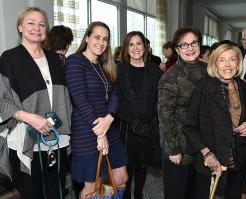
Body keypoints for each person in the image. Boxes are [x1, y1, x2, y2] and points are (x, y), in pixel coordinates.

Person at [0, 7, 72, 199]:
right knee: (31, 192)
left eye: (42, 24)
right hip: (25, 137)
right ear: (20, 27)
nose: (37, 28)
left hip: (56, 138)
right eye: (30, 23)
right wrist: (31, 118)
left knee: (56, 191)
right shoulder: (9, 58)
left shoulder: (54, 59)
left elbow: (64, 97)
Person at [64, 21, 128, 198]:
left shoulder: (105, 64)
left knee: (121, 176)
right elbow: (79, 99)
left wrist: (108, 119)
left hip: (108, 127)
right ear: (87, 38)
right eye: (97, 37)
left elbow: (114, 94)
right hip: (86, 130)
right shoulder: (75, 61)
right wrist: (100, 133)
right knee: (92, 185)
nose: (101, 42)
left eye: (105, 39)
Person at [184, 44, 246, 199]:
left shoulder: (242, 87)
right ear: (215, 63)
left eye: (232, 60)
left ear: (238, 63)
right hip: (211, 162)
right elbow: (189, 126)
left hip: (237, 161)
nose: (228, 65)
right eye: (222, 60)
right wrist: (207, 154)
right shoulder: (203, 86)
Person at [157, 26, 207, 199]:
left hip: (204, 147)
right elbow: (165, 115)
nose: (190, 48)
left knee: (198, 193)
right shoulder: (170, 77)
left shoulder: (208, 70)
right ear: (177, 50)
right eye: (184, 45)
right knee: (177, 194)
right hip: (180, 148)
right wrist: (172, 149)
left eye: (194, 43)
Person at [116, 31, 161, 199]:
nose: (135, 48)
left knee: (142, 165)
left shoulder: (154, 70)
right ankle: (126, 195)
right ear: (126, 49)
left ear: (145, 47)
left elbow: (158, 99)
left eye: (139, 44)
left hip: (146, 127)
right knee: (126, 165)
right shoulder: (120, 69)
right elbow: (115, 98)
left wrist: (154, 123)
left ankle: (139, 194)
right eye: (131, 44)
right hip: (125, 127)